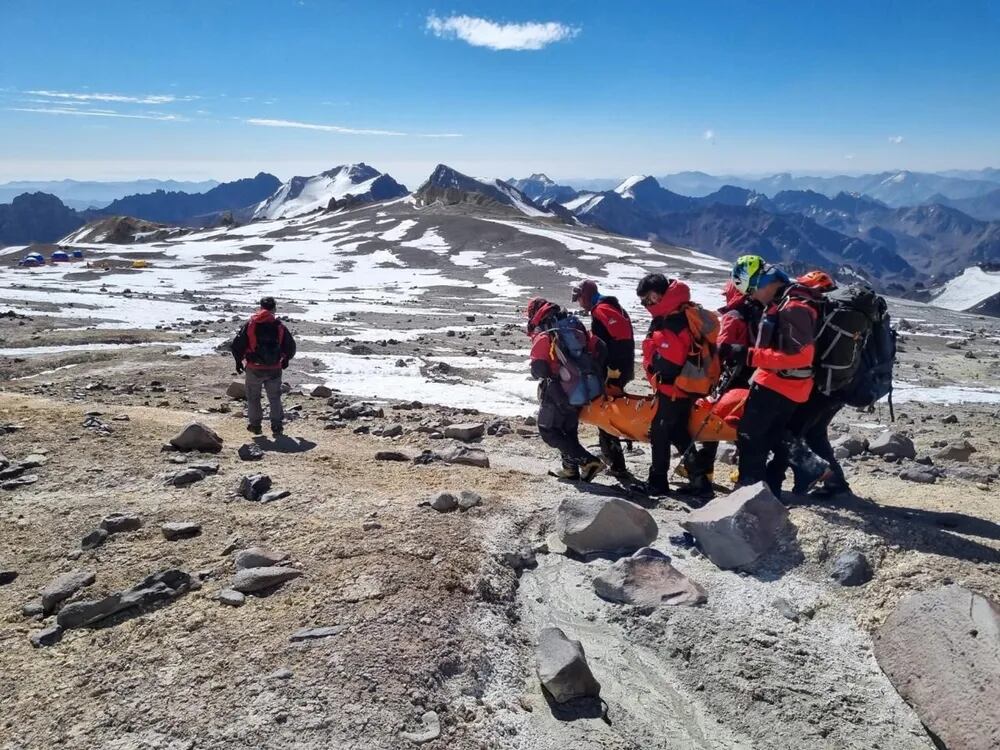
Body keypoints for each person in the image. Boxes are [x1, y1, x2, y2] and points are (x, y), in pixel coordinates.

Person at [722, 255, 822, 498]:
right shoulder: (787, 302)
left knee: (751, 437)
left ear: (764, 282)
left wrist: (749, 355)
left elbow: (801, 356)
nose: (752, 297)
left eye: (752, 290)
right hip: (788, 385)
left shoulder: (793, 308)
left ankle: (749, 494)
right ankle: (806, 470)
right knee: (774, 434)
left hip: (780, 384)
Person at [636, 273, 712, 497]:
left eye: (649, 298)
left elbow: (671, 361)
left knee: (660, 433)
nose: (647, 304)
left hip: (672, 388)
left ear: (661, 294)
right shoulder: (682, 312)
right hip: (687, 387)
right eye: (644, 300)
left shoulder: (672, 321)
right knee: (679, 431)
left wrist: (654, 362)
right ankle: (700, 480)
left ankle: (657, 482)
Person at [786, 270, 851, 496]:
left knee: (791, 433)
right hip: (842, 385)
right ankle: (836, 482)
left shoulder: (818, 314)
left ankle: (810, 476)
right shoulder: (843, 318)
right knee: (815, 432)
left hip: (820, 386)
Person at [526, 297, 605, 482]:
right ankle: (570, 469)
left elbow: (540, 369)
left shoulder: (547, 330)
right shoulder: (573, 324)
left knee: (549, 431)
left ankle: (589, 461)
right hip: (581, 386)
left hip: (557, 389)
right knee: (568, 431)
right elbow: (599, 347)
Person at [572, 279, 636, 482]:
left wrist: (612, 368)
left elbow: (619, 343)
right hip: (618, 369)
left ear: (586, 296)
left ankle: (617, 465)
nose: (579, 304)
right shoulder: (610, 307)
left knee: (605, 416)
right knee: (607, 414)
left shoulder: (602, 311)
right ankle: (614, 462)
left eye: (579, 299)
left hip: (613, 371)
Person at [231, 297, 297, 436]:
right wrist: (286, 360)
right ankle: (277, 426)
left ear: (260, 307)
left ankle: (255, 426)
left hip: (254, 367)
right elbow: (290, 346)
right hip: (274, 367)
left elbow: (237, 344)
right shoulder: (279, 326)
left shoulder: (251, 324)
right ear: (274, 308)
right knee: (274, 397)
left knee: (253, 397)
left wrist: (238, 361)